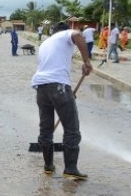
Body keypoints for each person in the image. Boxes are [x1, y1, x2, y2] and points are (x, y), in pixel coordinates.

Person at [31, 21, 93, 180]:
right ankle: (71, 169)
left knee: (46, 128)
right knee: (71, 128)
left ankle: (48, 166)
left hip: (41, 88)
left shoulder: (45, 43)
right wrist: (87, 61)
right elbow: (78, 35)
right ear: (65, 30)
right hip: (58, 85)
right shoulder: (66, 34)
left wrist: (67, 94)